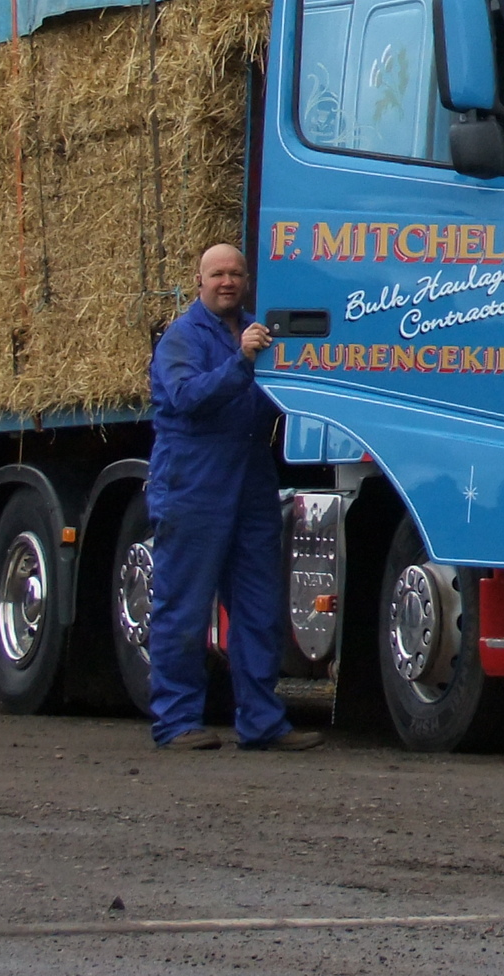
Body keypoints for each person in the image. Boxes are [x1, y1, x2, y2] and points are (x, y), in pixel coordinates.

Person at [146, 243, 320, 752]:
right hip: (193, 483)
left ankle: (262, 722)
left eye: (236, 274)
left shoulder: (260, 333)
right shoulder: (182, 338)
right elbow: (184, 397)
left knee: (258, 608)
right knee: (184, 608)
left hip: (250, 481)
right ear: (199, 281)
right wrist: (241, 362)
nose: (227, 282)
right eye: (217, 274)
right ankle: (176, 723)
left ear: (247, 281)